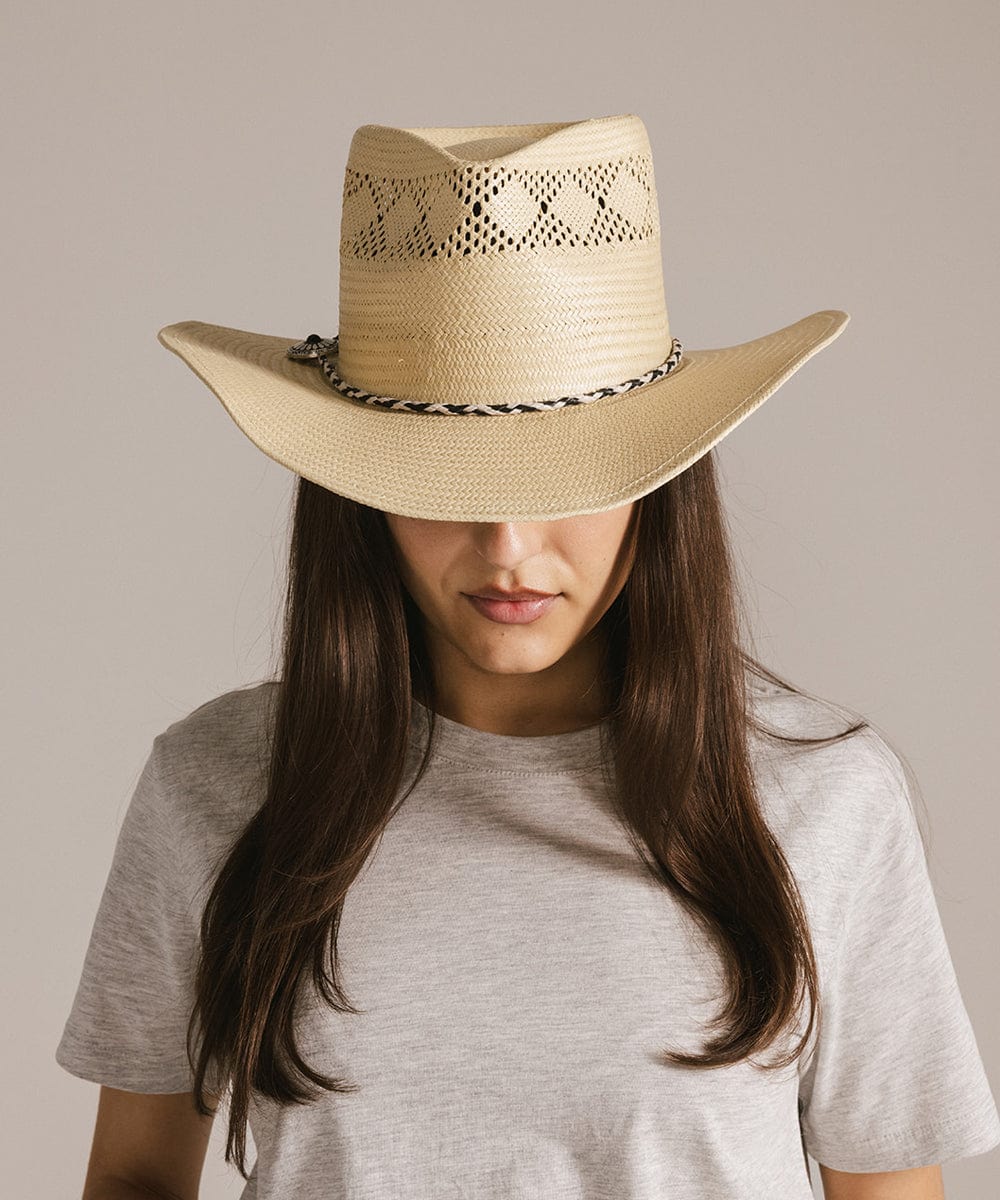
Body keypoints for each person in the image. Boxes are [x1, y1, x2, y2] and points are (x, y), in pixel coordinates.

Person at [56, 114, 999, 1200]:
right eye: (444, 484)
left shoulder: (819, 797)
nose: (508, 548)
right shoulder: (217, 785)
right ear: (358, 491)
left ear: (660, 477)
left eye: (568, 474)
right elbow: (133, 1176)